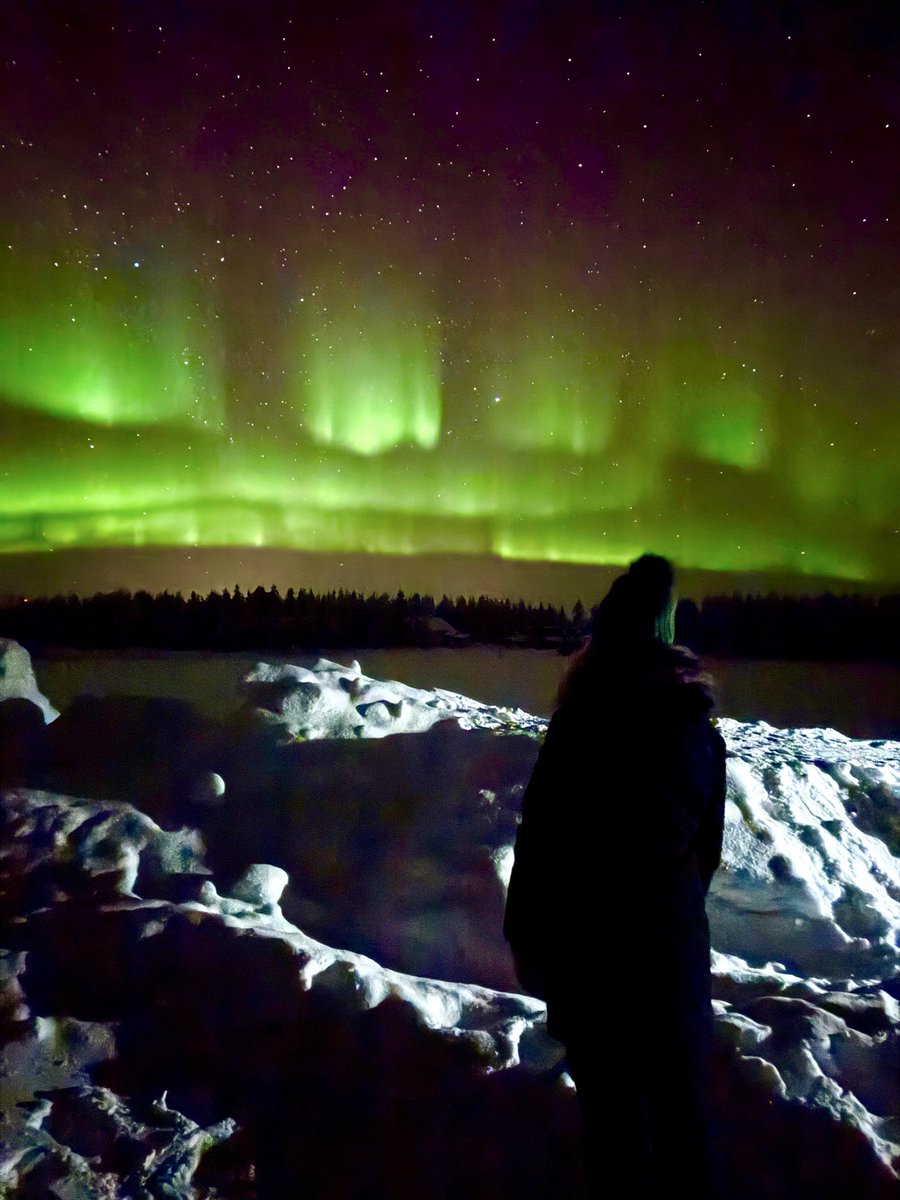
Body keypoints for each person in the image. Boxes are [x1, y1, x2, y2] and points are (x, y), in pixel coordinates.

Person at [503, 554, 727, 1199]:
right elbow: (704, 851)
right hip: (670, 956)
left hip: (592, 961)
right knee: (682, 1126)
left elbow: (540, 841)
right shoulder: (694, 728)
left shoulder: (581, 722)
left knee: (616, 1131)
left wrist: (528, 940)